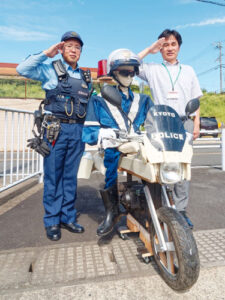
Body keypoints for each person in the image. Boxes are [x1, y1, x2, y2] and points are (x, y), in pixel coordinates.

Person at [16, 31, 92, 241]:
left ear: (81, 51)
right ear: (61, 49)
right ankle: (52, 220)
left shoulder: (85, 77)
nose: (73, 50)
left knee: (70, 178)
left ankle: (68, 217)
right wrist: (46, 54)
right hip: (55, 130)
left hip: (77, 131)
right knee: (53, 177)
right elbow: (22, 69)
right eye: (69, 46)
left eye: (77, 47)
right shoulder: (50, 69)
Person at [82, 49, 153, 236]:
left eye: (132, 72)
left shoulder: (143, 100)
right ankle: (112, 211)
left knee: (155, 158)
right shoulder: (98, 100)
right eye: (124, 72)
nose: (129, 76)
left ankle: (155, 206)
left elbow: (155, 124)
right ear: (114, 73)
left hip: (136, 143)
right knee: (111, 156)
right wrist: (105, 134)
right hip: (113, 145)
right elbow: (89, 133)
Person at [137, 29, 203, 229]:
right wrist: (150, 49)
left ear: (179, 47)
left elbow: (195, 100)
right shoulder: (152, 69)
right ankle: (159, 209)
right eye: (165, 45)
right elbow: (130, 64)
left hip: (184, 122)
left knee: (182, 167)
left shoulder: (189, 70)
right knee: (160, 165)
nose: (169, 48)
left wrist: (196, 123)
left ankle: (181, 210)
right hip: (161, 123)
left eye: (172, 44)